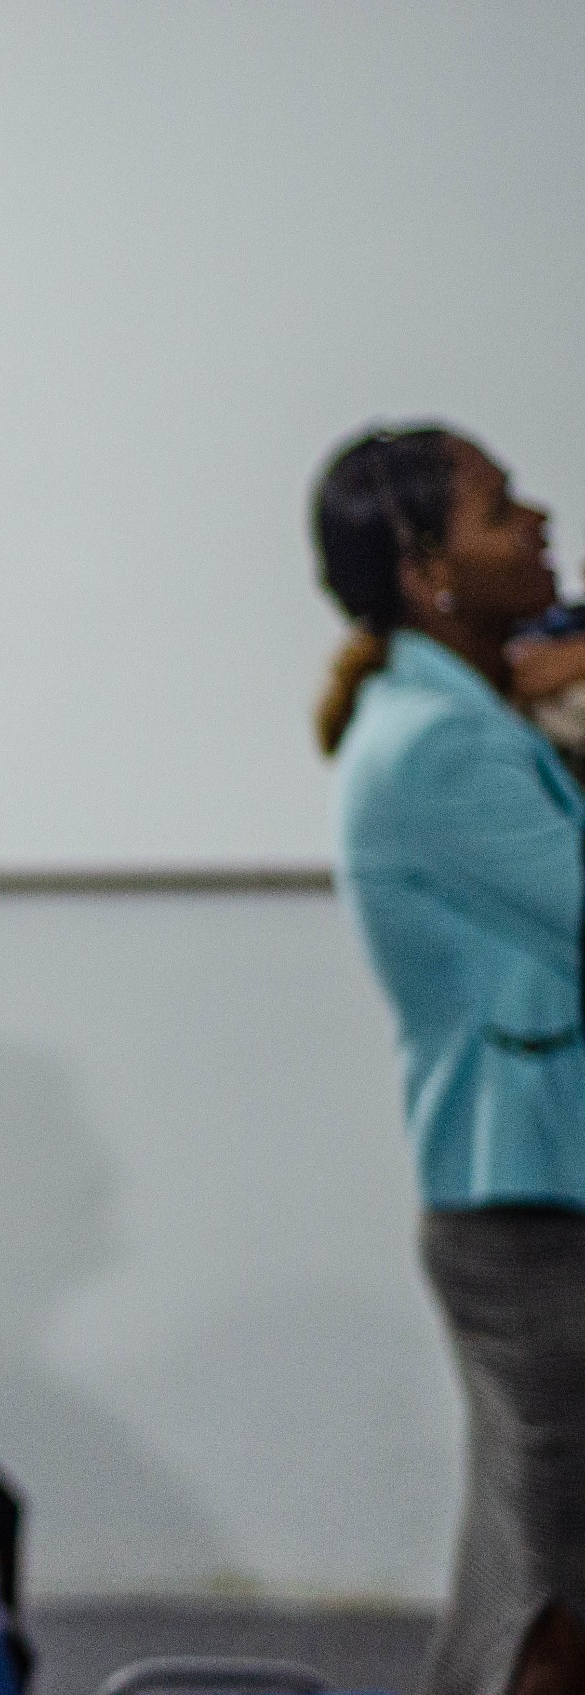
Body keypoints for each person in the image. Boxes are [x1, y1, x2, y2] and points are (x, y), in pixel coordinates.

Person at [314, 424, 585, 1695]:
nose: (536, 521)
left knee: (526, 1584)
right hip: (531, 1207)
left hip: (523, 1196)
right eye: (496, 509)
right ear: (426, 570)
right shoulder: (438, 744)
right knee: (556, 1602)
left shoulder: (458, 717)